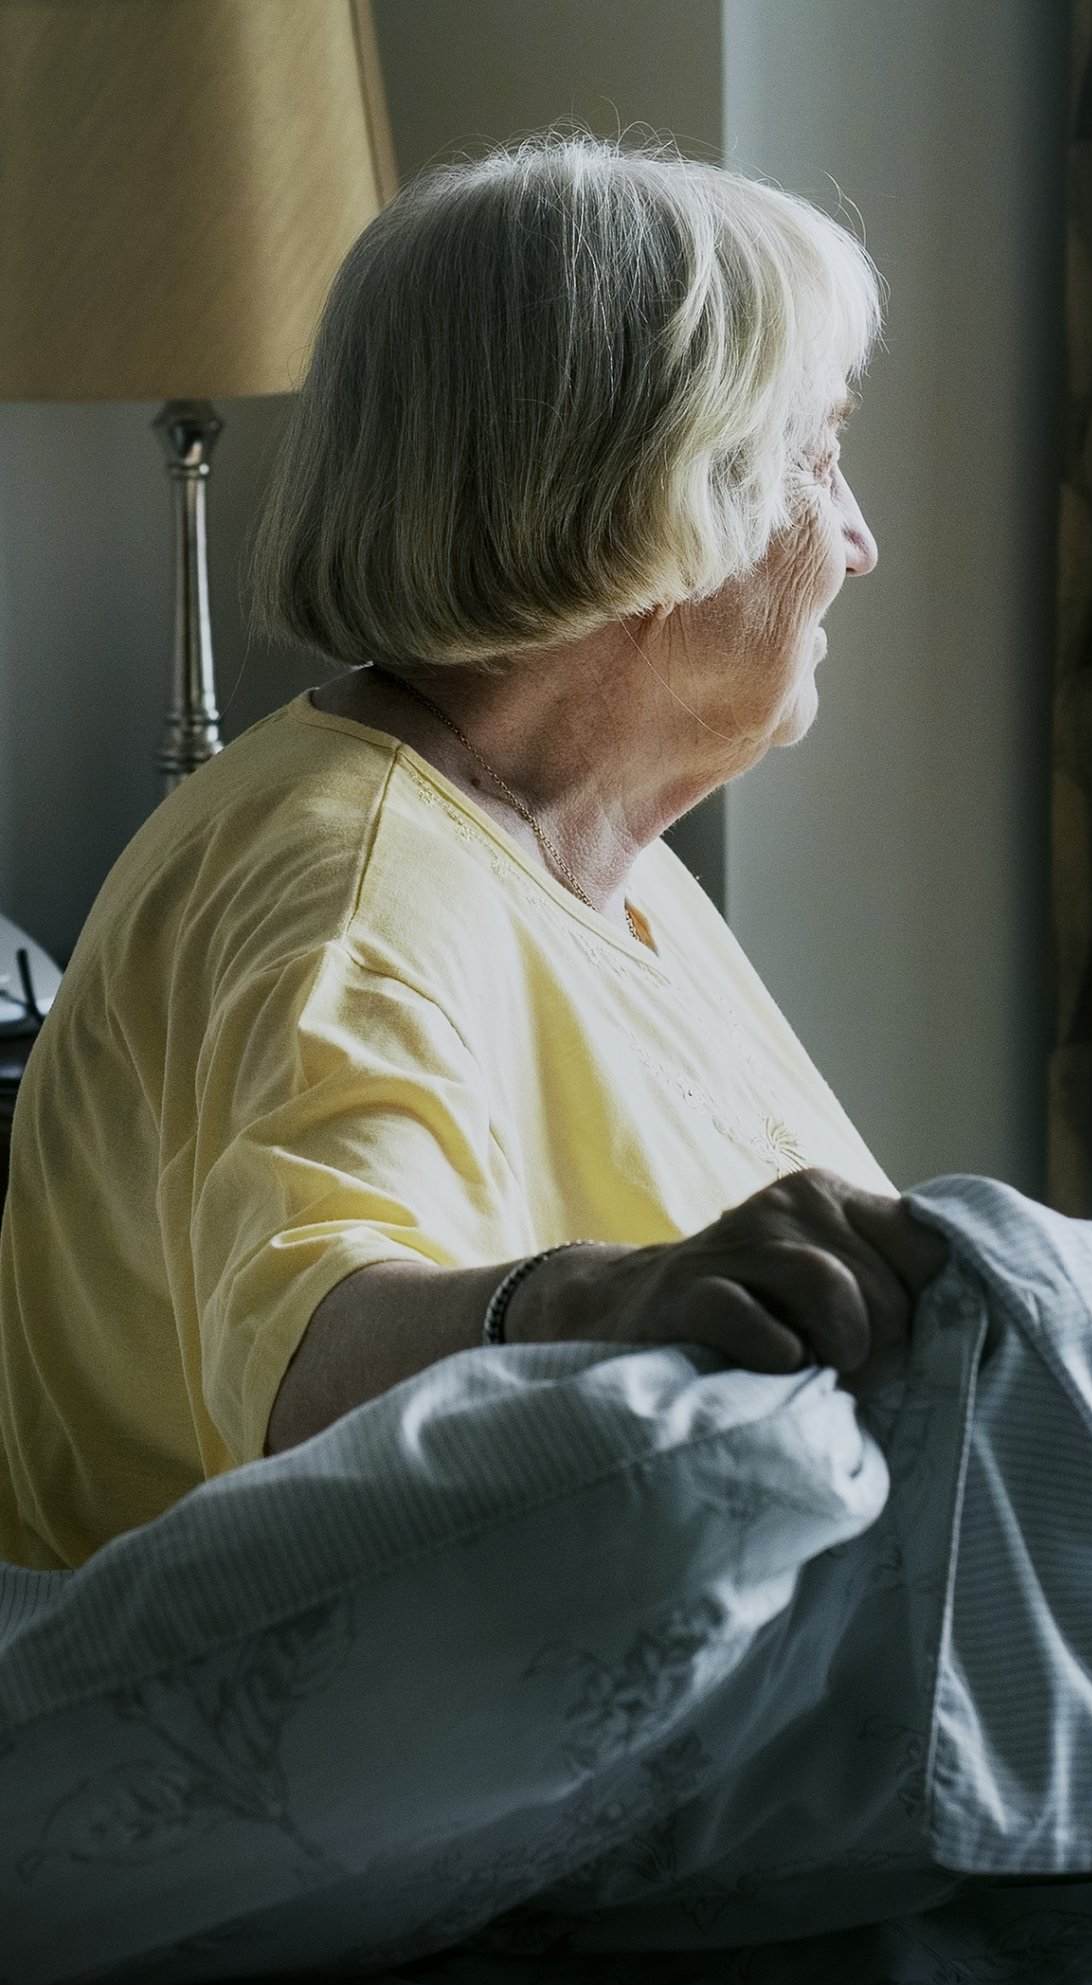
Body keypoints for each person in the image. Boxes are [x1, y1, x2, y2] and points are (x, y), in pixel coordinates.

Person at [0, 133, 946, 1571]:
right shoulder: (345, 878)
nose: (859, 538)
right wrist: (612, 1307)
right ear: (656, 498)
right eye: (818, 457)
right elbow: (312, 1362)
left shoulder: (596, 860)